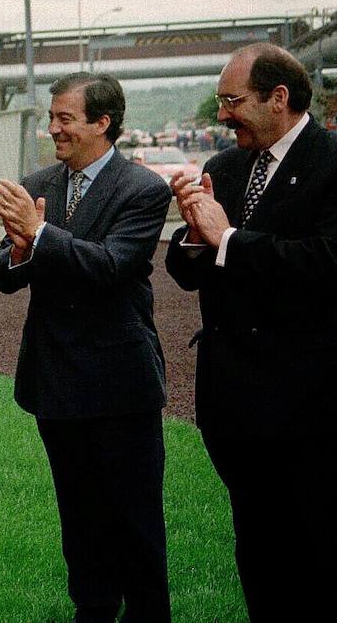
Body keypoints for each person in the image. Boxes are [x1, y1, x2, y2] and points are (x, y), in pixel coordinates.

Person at [0, 72, 172, 623]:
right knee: (80, 520)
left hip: (120, 389)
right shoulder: (38, 182)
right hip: (55, 383)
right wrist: (19, 247)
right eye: (52, 117)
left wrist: (40, 236)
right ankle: (91, 611)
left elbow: (113, 265)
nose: (53, 129)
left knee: (135, 525)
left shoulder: (142, 189)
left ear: (102, 123)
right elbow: (3, 273)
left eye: (65, 118)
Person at [165, 43, 337, 620]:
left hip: (310, 407)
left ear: (279, 98)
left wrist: (230, 240)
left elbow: (326, 264)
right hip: (232, 404)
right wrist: (194, 231)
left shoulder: (331, 161)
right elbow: (186, 273)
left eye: (232, 101)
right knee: (257, 549)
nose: (222, 116)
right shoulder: (225, 167)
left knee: (312, 551)